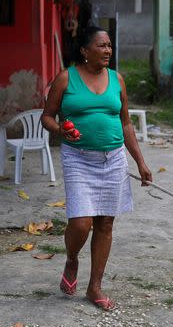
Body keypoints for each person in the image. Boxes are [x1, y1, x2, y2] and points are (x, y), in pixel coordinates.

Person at [41, 26, 152, 311]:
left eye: (109, 46)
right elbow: (47, 117)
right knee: (81, 223)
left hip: (113, 159)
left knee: (105, 223)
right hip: (78, 158)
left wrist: (140, 162)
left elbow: (126, 123)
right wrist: (61, 131)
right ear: (84, 50)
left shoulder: (118, 80)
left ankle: (95, 287)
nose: (107, 51)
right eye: (101, 46)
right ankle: (71, 258)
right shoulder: (66, 79)